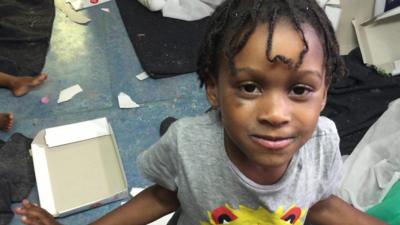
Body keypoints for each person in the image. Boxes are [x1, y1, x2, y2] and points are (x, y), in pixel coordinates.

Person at [15, 0, 387, 224]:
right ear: (213, 88)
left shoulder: (323, 144)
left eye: (300, 89)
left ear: (324, 95)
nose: (275, 113)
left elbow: (321, 204)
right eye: (250, 87)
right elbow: (163, 196)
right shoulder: (188, 144)